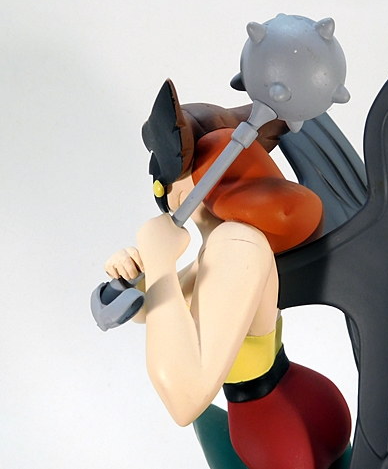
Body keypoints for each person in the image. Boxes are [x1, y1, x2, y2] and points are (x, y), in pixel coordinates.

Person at [104, 98, 351, 469]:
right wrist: (140, 276)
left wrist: (160, 261)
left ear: (182, 187)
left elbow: (184, 399)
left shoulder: (235, 244)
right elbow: (151, 311)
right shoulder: (229, 244)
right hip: (297, 401)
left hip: (271, 429)